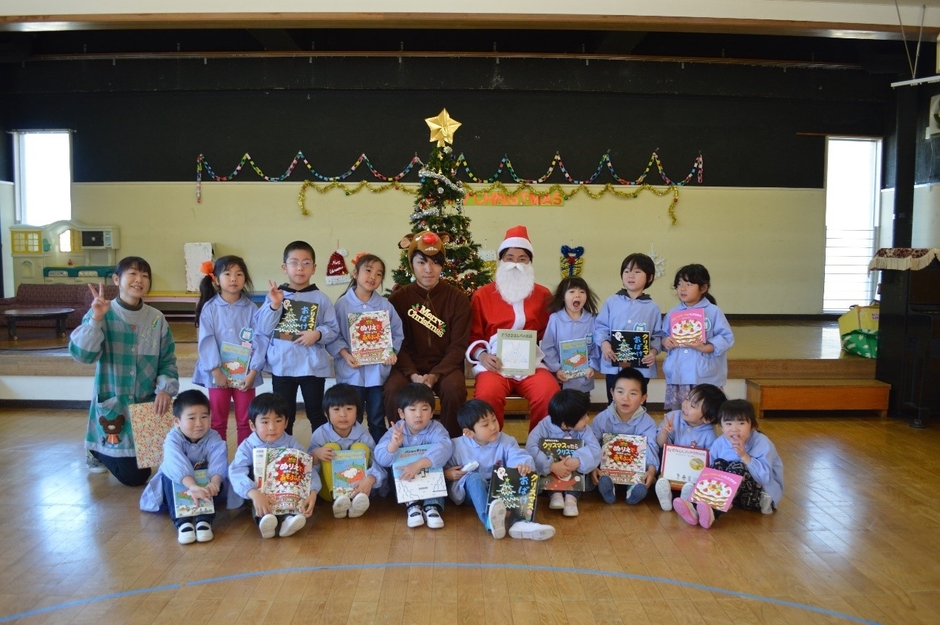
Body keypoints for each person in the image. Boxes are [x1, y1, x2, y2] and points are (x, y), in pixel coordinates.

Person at [70, 256, 178, 486]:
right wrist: (96, 319)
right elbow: (83, 355)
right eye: (133, 274)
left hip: (145, 405)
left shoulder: (156, 319)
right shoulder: (102, 312)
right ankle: (96, 450)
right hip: (113, 404)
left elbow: (167, 360)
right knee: (135, 477)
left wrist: (165, 389)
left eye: (145, 276)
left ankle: (105, 451)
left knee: (159, 461)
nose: (139, 280)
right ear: (117, 279)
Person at [466, 225, 559, 431]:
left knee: (549, 393)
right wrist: (482, 355)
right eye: (510, 258)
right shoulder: (482, 295)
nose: (516, 264)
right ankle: (491, 445)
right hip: (495, 364)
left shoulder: (543, 295)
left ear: (529, 262)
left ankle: (539, 445)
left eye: (522, 259)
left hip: (531, 364)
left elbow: (550, 333)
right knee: (487, 396)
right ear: (501, 260)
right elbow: (472, 334)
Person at [385, 231, 471, 438]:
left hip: (445, 367)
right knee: (392, 389)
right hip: (407, 366)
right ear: (411, 265)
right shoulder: (398, 299)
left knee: (455, 389)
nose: (428, 270)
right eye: (421, 262)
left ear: (442, 265)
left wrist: (435, 374)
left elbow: (458, 346)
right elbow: (396, 343)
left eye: (435, 263)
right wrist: (412, 374)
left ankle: (451, 443)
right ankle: (398, 443)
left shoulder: (458, 299)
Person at [444, 399, 556, 541]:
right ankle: (490, 522)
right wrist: (447, 473)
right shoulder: (456, 446)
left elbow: (518, 455)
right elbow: (442, 466)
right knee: (474, 478)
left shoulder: (506, 441)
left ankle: (521, 522)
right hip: (474, 492)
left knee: (521, 473)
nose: (493, 427)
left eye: (494, 420)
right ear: (469, 433)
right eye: (485, 424)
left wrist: (520, 465)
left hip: (500, 490)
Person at [260, 240, 339, 435]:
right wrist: (275, 305)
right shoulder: (275, 296)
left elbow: (333, 329)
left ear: (314, 268)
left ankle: (320, 450)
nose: (300, 268)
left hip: (311, 367)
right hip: (283, 365)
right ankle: (285, 452)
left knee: (317, 414)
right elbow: (263, 327)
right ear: (284, 267)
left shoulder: (321, 298)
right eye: (294, 262)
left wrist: (318, 334)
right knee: (284, 416)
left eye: (306, 263)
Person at [193, 255, 270, 445]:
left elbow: (260, 340)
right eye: (227, 274)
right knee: (217, 421)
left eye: (239, 274)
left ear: (245, 279)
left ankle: (245, 459)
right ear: (216, 280)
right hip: (217, 375)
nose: (233, 278)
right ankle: (218, 460)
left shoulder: (252, 309)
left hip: (245, 375)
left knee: (246, 421)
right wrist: (216, 372)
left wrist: (253, 372)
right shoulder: (210, 308)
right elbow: (206, 341)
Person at [327, 253, 403, 443]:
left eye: (379, 274)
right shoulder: (342, 304)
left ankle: (379, 455)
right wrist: (345, 354)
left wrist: (391, 352)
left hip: (376, 375)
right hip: (351, 374)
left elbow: (397, 333)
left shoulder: (385, 306)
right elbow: (333, 334)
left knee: (377, 418)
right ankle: (352, 454)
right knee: (352, 419)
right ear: (355, 273)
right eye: (368, 271)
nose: (373, 277)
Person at [674, 399, 784, 529]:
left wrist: (745, 456)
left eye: (741, 423)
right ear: (721, 427)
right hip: (732, 498)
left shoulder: (762, 443)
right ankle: (695, 509)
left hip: (758, 497)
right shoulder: (720, 443)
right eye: (728, 424)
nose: (734, 429)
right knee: (718, 463)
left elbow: (765, 478)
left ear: (753, 426)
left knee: (738, 466)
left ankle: (713, 512)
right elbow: (709, 474)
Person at [139, 390, 227, 544]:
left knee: (210, 476)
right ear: (177, 421)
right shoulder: (172, 439)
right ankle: (183, 523)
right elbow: (175, 464)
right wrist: (192, 486)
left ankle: (204, 520)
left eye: (204, 417)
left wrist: (214, 482)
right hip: (178, 485)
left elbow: (218, 461)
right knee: (169, 476)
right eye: (192, 418)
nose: (199, 423)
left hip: (205, 487)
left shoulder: (213, 437)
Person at [228, 393, 318, 538]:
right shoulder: (247, 446)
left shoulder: (292, 444)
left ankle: (288, 519)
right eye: (264, 422)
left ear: (286, 422)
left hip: (284, 495)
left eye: (278, 420)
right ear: (252, 425)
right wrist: (254, 493)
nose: (272, 427)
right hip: (257, 494)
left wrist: (313, 492)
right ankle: (264, 520)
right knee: (255, 490)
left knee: (293, 473)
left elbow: (308, 469)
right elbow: (236, 471)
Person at [374, 383, 454, 529]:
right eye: (412, 409)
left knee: (437, 466)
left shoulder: (436, 428)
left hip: (429, 480)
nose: (418, 414)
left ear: (432, 413)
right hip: (406, 481)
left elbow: (445, 446)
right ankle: (412, 505)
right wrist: (393, 445)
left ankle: (432, 506)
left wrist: (419, 464)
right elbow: (381, 458)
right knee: (394, 469)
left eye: (425, 409)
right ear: (401, 413)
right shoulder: (396, 431)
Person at [659, 264, 734, 412]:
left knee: (705, 412)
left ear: (703, 288)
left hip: (704, 375)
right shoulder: (673, 313)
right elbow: (662, 335)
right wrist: (665, 341)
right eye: (679, 284)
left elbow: (726, 337)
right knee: (680, 412)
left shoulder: (713, 312)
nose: (682, 288)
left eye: (688, 284)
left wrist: (706, 347)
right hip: (679, 374)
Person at [308, 383, 387, 519]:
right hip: (329, 491)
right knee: (330, 448)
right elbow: (306, 468)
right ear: (326, 413)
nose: (343, 415)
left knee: (361, 448)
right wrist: (315, 455)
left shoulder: (363, 434)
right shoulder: (320, 434)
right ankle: (338, 500)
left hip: (360, 489)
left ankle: (356, 501)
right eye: (336, 409)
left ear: (357, 412)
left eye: (349, 409)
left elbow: (378, 461)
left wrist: (371, 479)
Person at [594, 253, 663, 401]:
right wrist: (604, 344)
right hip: (614, 365)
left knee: (637, 402)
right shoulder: (611, 302)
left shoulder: (653, 307)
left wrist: (653, 352)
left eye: (637, 271)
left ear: (650, 277)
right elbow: (600, 327)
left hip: (641, 368)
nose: (630, 275)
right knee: (614, 402)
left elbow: (657, 335)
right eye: (626, 271)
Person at [526, 389, 601, 518]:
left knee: (579, 475)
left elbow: (595, 448)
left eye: (586, 414)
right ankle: (555, 495)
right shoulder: (544, 426)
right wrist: (550, 466)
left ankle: (572, 498)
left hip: (574, 471)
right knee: (545, 473)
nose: (587, 419)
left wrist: (578, 460)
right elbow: (531, 448)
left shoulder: (584, 429)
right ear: (565, 424)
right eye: (583, 417)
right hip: (551, 471)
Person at [589, 368, 659, 506]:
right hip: (608, 470)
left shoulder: (647, 422)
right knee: (601, 472)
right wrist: (592, 467)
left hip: (635, 471)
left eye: (633, 393)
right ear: (612, 393)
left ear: (643, 398)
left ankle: (634, 490)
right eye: (620, 392)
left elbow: (651, 447)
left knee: (642, 473)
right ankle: (608, 488)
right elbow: (592, 444)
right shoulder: (602, 419)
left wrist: (652, 469)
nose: (625, 398)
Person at [653, 384, 726, 511]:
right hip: (670, 471)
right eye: (687, 399)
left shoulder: (709, 435)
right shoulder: (673, 417)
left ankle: (685, 497)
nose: (686, 405)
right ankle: (667, 493)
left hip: (691, 475)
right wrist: (664, 432)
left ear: (708, 418)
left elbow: (710, 462)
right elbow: (660, 445)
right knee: (658, 454)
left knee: (708, 470)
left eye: (693, 405)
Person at [541, 276, 600, 395]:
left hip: (584, 378)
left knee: (581, 405)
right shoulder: (555, 319)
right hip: (561, 378)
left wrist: (592, 366)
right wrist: (557, 368)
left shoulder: (592, 320)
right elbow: (547, 347)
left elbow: (596, 347)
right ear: (563, 297)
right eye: (572, 291)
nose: (577, 295)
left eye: (582, 292)